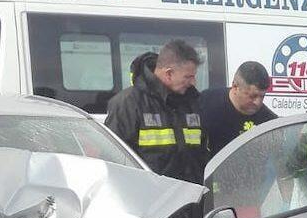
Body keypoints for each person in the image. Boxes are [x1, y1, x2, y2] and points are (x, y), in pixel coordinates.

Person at [105, 39, 208, 185]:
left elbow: (201, 153)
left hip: (190, 199)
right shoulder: (128, 103)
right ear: (169, 73)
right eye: (188, 77)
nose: (193, 82)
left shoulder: (191, 102)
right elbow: (114, 159)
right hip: (148, 200)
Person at [199, 61, 277, 156]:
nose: (258, 102)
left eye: (262, 96)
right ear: (235, 87)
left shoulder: (268, 121)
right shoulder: (206, 103)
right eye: (252, 96)